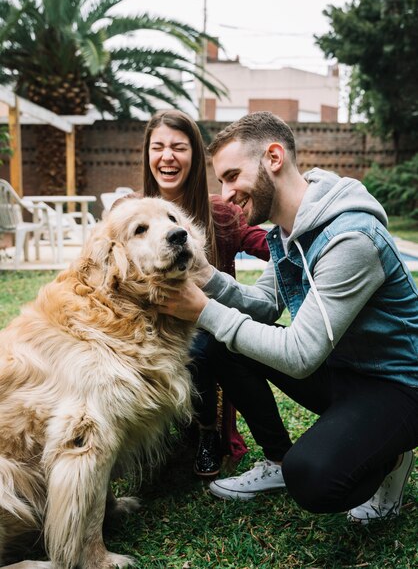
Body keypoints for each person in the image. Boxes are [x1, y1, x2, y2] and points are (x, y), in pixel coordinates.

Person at [156, 111, 418, 523]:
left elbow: (300, 355)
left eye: (231, 176)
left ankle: (389, 456)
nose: (225, 194)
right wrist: (206, 275)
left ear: (273, 157)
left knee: (314, 479)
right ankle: (277, 459)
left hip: (398, 385)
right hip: (344, 371)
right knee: (226, 345)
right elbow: (263, 303)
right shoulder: (287, 229)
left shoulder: (350, 238)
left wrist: (204, 311)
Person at [142, 109, 272, 477]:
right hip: (144, 331)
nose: (167, 156)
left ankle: (207, 432)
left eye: (179, 147)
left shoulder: (220, 212)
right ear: (148, 155)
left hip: (202, 329)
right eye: (159, 147)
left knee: (199, 346)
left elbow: (271, 244)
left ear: (195, 157)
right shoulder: (129, 212)